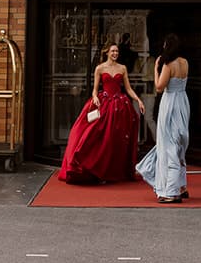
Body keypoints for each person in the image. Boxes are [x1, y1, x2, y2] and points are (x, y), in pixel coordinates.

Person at [58, 41, 145, 184]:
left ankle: (113, 170)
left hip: (119, 105)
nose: (115, 54)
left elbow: (128, 88)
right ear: (107, 53)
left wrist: (138, 100)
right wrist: (94, 97)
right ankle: (96, 168)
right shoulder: (100, 68)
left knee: (116, 138)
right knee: (98, 135)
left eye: (117, 51)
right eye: (113, 51)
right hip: (104, 103)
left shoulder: (122, 68)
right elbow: (94, 88)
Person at [137, 33, 189, 203]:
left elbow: (159, 87)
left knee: (169, 144)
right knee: (180, 142)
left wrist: (155, 69)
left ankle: (171, 191)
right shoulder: (184, 62)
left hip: (170, 102)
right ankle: (182, 186)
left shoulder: (169, 64)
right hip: (183, 101)